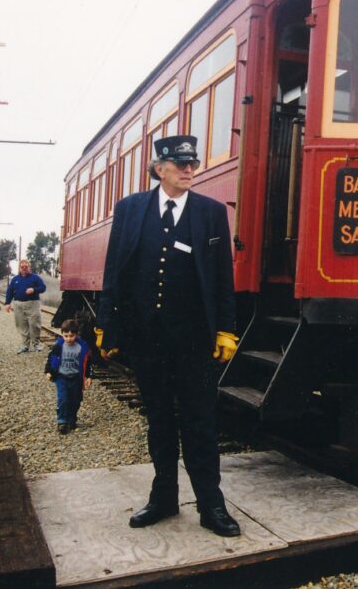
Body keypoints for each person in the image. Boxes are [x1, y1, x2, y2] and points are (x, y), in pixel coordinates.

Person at [96, 134, 241, 538]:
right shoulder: (129, 210)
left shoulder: (211, 213)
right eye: (181, 164)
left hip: (194, 341)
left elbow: (222, 280)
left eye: (193, 164)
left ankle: (212, 506)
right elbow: (114, 272)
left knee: (199, 422)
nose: (190, 170)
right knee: (158, 421)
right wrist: (107, 325)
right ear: (159, 169)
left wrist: (226, 329)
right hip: (147, 340)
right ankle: (164, 499)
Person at [44, 319, 93, 434]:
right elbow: (51, 359)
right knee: (63, 399)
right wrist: (48, 371)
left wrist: (89, 376)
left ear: (76, 334)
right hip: (61, 377)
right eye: (66, 336)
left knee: (76, 400)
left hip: (76, 378)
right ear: (62, 334)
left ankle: (72, 418)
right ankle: (62, 421)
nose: (68, 339)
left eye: (71, 336)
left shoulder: (82, 347)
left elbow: (87, 362)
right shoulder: (58, 346)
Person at [5, 259, 46, 353]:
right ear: (19, 268)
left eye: (26, 267)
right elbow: (9, 291)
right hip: (18, 305)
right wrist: (7, 303)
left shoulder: (35, 278)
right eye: (22, 267)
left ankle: (36, 344)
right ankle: (25, 346)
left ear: (29, 267)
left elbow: (43, 287)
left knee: (34, 324)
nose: (24, 268)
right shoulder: (15, 279)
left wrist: (34, 290)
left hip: (33, 304)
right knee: (21, 325)